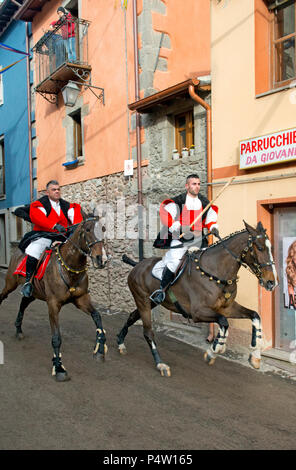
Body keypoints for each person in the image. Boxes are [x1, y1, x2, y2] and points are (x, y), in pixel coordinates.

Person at [150, 174, 219, 305]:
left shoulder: (204, 203)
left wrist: (213, 227)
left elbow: (210, 219)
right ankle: (161, 290)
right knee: (175, 262)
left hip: (199, 239)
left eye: (198, 184)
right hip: (181, 239)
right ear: (187, 186)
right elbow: (167, 215)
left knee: (208, 262)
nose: (197, 186)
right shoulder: (178, 201)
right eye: (194, 184)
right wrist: (175, 225)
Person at [19, 180, 83, 298]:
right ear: (47, 192)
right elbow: (39, 218)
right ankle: (28, 282)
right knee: (34, 250)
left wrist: (75, 228)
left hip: (62, 237)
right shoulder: (40, 204)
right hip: (45, 235)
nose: (57, 191)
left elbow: (75, 217)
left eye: (58, 189)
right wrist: (53, 225)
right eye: (54, 189)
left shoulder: (67, 205)